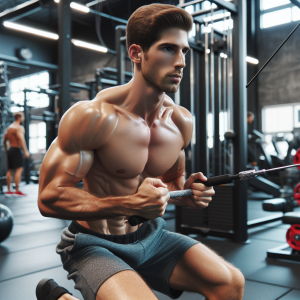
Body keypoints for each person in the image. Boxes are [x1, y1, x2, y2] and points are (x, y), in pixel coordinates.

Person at [36, 4, 245, 300]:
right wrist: (131, 203)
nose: (181, 62)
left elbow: (173, 181)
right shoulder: (92, 116)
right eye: (169, 49)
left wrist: (189, 192)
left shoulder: (180, 122)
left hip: (152, 236)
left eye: (184, 51)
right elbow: (49, 197)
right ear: (136, 53)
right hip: (94, 243)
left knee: (231, 283)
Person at [3, 112, 30, 197]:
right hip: (16, 149)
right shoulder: (18, 128)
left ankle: (9, 191)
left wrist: (7, 149)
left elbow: (4, 141)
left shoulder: (9, 128)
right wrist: (25, 151)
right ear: (20, 118)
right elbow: (21, 140)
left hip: (10, 149)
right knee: (19, 169)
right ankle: (17, 190)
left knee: (10, 170)